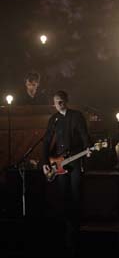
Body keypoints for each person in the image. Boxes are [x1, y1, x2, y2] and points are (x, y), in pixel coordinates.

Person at [42, 90, 91, 235]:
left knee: (76, 190)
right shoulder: (54, 119)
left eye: (61, 100)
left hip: (75, 159)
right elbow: (46, 141)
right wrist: (45, 161)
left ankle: (77, 225)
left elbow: (84, 134)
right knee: (63, 193)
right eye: (56, 101)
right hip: (59, 162)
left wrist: (88, 147)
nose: (59, 104)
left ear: (66, 101)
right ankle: (66, 224)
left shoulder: (77, 116)